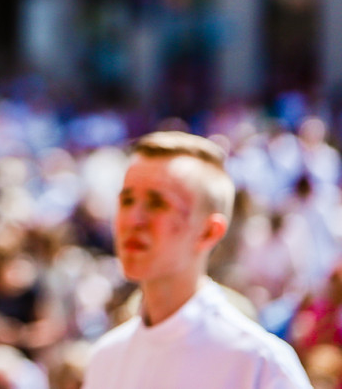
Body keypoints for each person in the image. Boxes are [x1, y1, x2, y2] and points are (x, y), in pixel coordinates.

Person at [82, 131, 312, 389]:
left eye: (157, 204)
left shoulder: (258, 363)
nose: (133, 220)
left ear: (208, 232)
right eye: (127, 200)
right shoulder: (105, 359)